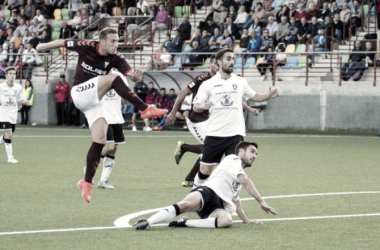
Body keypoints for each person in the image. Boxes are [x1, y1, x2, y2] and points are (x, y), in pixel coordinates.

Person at [36, 27, 168, 203]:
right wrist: (43, 46)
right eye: (113, 41)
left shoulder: (117, 58)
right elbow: (62, 42)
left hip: (95, 102)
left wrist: (135, 77)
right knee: (113, 79)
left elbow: (129, 73)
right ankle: (145, 109)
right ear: (102, 41)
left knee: (99, 140)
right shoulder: (87, 45)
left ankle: (87, 182)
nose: (117, 45)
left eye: (118, 41)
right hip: (80, 93)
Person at [132, 141, 278, 230]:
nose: (255, 156)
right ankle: (147, 221)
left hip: (217, 207)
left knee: (226, 221)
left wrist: (245, 220)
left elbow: (236, 200)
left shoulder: (238, 175)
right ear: (240, 151)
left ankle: (186, 224)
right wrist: (262, 202)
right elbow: (247, 182)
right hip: (207, 192)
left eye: (256, 154)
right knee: (184, 205)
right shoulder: (233, 159)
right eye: (252, 152)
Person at [190, 48, 279, 189]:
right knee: (204, 171)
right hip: (214, 133)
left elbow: (253, 96)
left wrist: (268, 96)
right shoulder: (208, 84)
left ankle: (229, 206)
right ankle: (194, 196)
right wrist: (203, 106)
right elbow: (195, 107)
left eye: (233, 59)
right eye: (228, 58)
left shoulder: (240, 81)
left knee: (235, 172)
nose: (232, 62)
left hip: (235, 135)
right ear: (219, 62)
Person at [96, 69, 126, 189]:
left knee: (114, 149)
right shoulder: (98, 77)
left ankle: (103, 181)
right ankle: (91, 165)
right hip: (104, 117)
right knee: (109, 146)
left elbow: (126, 91)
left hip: (117, 117)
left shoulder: (119, 76)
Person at [0, 67, 30, 163]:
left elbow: (20, 99)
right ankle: (10, 158)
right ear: (6, 75)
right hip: (4, 113)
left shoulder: (18, 87)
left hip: (13, 113)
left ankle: (9, 155)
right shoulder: (1, 87)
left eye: (14, 73)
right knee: (8, 133)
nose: (12, 75)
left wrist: (25, 101)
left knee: (9, 135)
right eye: (10, 74)